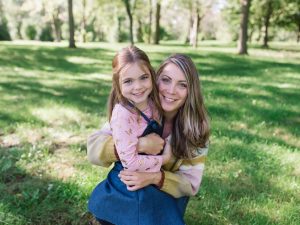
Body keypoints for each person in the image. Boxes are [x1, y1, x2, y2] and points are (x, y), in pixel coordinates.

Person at [88, 53, 210, 225]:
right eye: (166, 80)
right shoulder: (135, 108)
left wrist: (155, 177)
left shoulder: (196, 128)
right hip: (127, 195)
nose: (171, 90)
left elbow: (190, 184)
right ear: (155, 79)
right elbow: (93, 150)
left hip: (163, 200)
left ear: (191, 90)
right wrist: (137, 145)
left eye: (182, 85)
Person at [88, 46, 172, 225]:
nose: (138, 87)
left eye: (144, 78)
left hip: (148, 176)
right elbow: (131, 162)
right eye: (128, 81)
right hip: (129, 181)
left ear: (152, 75)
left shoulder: (153, 103)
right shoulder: (122, 115)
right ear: (117, 83)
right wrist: (163, 160)